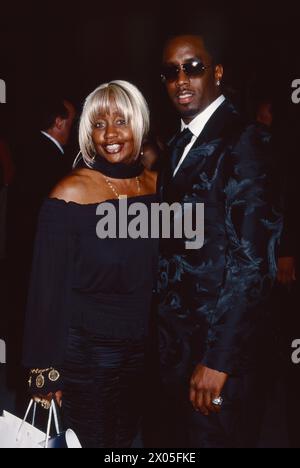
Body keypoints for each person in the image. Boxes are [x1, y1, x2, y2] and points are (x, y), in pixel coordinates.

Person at [155, 34, 281, 448]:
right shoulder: (174, 146)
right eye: (171, 72)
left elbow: (253, 263)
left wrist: (218, 359)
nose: (182, 79)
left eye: (193, 67)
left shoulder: (245, 140)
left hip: (216, 358)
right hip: (174, 351)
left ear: (218, 72)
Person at [22, 81, 158, 448]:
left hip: (146, 351)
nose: (110, 134)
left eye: (120, 121)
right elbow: (46, 289)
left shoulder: (158, 187)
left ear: (139, 124)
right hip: (88, 355)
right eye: (98, 124)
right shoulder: (69, 194)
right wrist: (45, 371)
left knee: (128, 441)